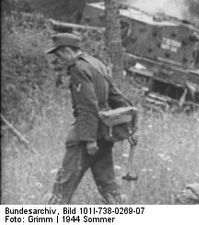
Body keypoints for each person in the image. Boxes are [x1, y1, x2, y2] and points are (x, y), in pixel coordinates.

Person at [46, 33, 135, 204]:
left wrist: (89, 140)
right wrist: (129, 126)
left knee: (63, 185)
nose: (58, 60)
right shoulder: (96, 63)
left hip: (85, 135)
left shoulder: (78, 68)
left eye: (58, 55)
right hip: (104, 132)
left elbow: (87, 106)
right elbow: (117, 97)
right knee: (108, 185)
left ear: (66, 51)